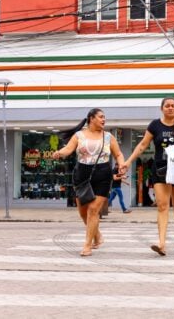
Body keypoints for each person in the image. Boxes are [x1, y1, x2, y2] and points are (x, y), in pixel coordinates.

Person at [122, 97, 174, 256]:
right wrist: (128, 162)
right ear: (161, 108)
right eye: (167, 106)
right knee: (162, 205)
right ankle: (162, 243)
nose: (170, 108)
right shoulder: (155, 125)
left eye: (173, 106)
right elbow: (142, 145)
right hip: (160, 168)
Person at [52, 108, 125, 257]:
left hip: (103, 174)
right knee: (83, 212)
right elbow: (68, 149)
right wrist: (60, 153)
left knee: (93, 210)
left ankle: (87, 245)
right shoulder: (79, 135)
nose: (104, 119)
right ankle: (97, 235)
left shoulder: (108, 136)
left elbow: (118, 153)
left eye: (104, 117)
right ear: (91, 118)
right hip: (82, 174)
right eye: (100, 117)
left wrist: (121, 165)